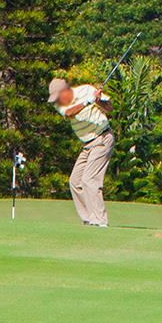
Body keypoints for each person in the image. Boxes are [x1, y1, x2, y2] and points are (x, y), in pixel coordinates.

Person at [50, 76, 113, 228]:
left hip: (103, 138)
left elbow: (110, 108)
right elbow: (69, 113)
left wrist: (98, 101)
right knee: (75, 181)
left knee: (89, 179)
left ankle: (99, 220)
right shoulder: (60, 105)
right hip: (88, 144)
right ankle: (89, 219)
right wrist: (87, 102)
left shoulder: (87, 90)